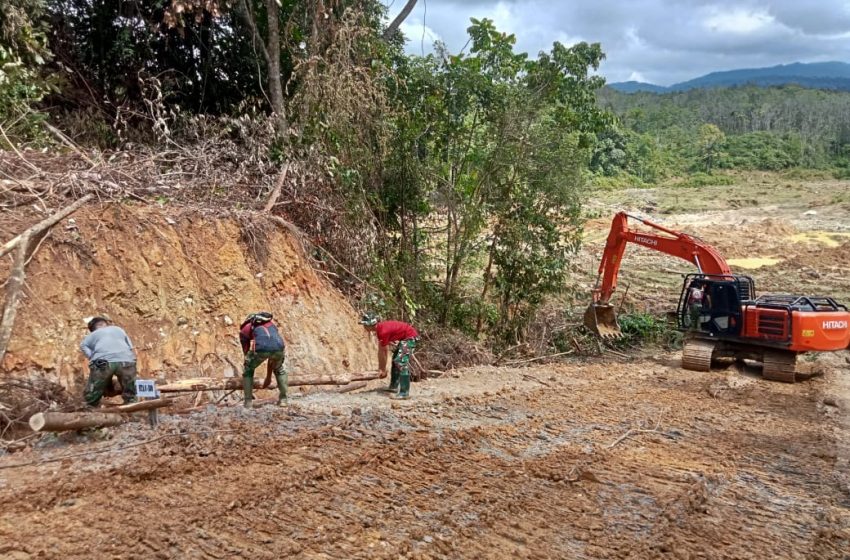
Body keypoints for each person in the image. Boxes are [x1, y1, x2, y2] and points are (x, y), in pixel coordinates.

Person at [79, 316, 138, 407]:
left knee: (95, 386)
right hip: (126, 360)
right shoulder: (119, 329)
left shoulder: (93, 334)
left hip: (103, 362)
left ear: (93, 328)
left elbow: (83, 345)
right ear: (106, 324)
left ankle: (90, 407)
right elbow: (130, 347)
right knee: (130, 387)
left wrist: (92, 356)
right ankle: (133, 408)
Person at [359, 313, 419, 400]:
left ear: (370, 324)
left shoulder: (382, 331)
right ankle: (393, 386)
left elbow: (384, 352)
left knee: (400, 361)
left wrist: (382, 369)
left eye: (364, 324)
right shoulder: (380, 329)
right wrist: (381, 368)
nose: (364, 326)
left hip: (410, 337)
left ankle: (404, 392)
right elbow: (381, 350)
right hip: (405, 338)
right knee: (396, 360)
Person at [239, 312, 288, 408]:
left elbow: (245, 350)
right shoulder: (271, 324)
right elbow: (271, 356)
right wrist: (268, 377)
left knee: (248, 370)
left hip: (261, 349)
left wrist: (249, 361)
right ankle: (283, 399)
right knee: (279, 370)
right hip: (279, 349)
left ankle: (248, 402)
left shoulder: (246, 328)